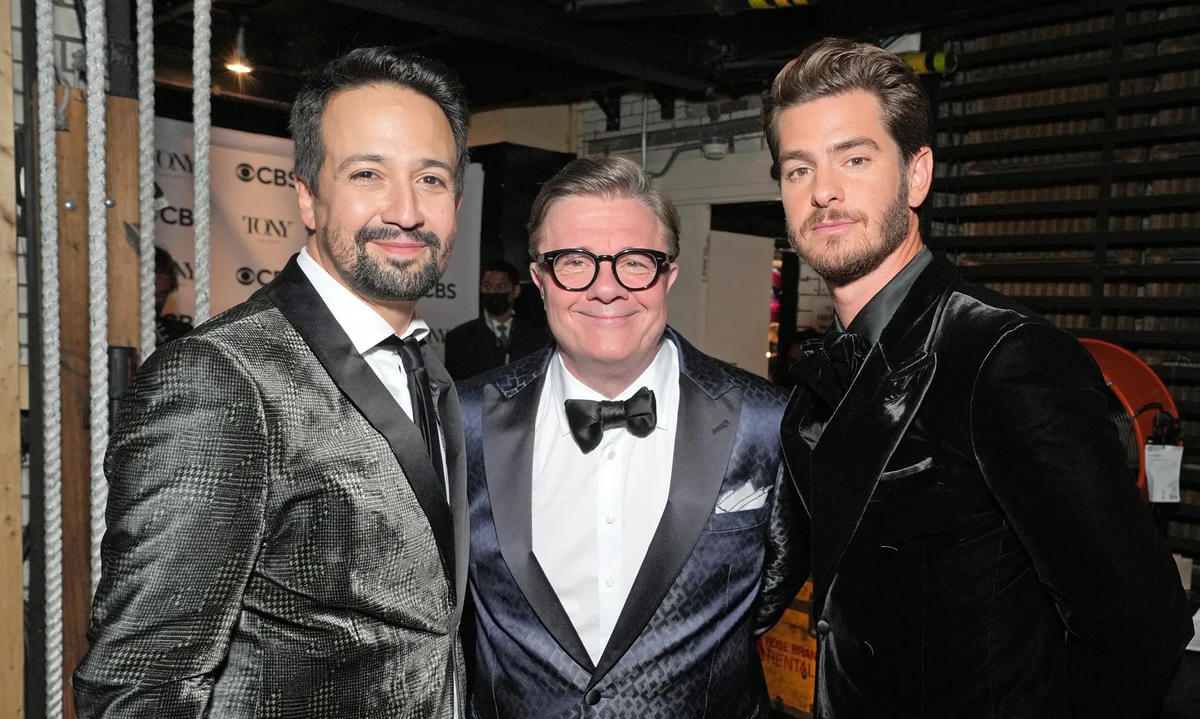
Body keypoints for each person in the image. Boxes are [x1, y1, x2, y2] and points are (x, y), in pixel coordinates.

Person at [765, 37, 1192, 718]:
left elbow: (1137, 624)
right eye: (797, 169)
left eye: (854, 158)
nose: (823, 191)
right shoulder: (821, 380)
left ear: (917, 175)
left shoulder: (1002, 355)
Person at [74, 47, 471, 718]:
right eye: (368, 173)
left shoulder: (424, 361)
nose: (405, 209)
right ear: (308, 196)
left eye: (431, 179)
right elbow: (137, 688)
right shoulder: (220, 379)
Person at [458, 155, 806, 718]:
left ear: (669, 274)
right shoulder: (466, 417)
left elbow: (775, 583)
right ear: (540, 279)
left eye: (634, 262)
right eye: (575, 261)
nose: (606, 288)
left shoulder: (765, 421)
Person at [443, 259, 548, 380]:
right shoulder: (460, 338)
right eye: (487, 286)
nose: (493, 292)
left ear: (515, 291)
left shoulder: (535, 338)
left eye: (500, 286)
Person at [154, 245, 193, 344]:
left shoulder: (180, 335)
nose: (154, 302)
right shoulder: (112, 333)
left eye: (161, 296)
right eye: (150, 295)